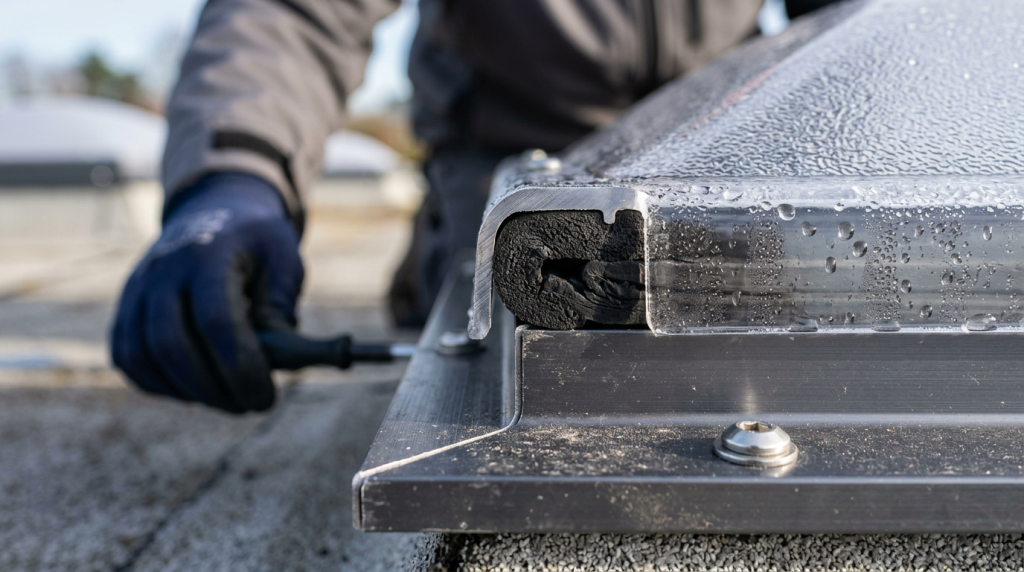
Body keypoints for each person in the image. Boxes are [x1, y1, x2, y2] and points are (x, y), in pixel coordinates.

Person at [112, 0, 838, 413]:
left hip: (717, 171)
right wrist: (232, 174)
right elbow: (292, 16)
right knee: (498, 372)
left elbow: (868, 26)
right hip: (502, 189)